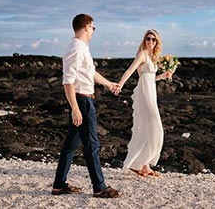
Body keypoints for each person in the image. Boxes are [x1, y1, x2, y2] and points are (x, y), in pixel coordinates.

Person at [52, 14, 121, 198]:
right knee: (92, 144)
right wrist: (74, 108)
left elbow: (90, 73)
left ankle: (59, 185)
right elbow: (68, 81)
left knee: (70, 145)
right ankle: (99, 187)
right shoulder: (76, 48)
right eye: (93, 28)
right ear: (86, 26)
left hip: (83, 99)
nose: (93, 31)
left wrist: (108, 84)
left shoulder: (81, 47)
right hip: (82, 101)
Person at [114, 29, 172, 177]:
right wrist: (120, 84)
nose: (150, 41)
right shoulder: (142, 55)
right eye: (148, 38)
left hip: (151, 92)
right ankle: (140, 163)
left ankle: (143, 164)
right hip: (143, 93)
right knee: (155, 126)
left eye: (153, 39)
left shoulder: (153, 57)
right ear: (144, 40)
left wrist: (162, 76)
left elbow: (150, 78)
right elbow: (130, 71)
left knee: (147, 128)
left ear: (157, 42)